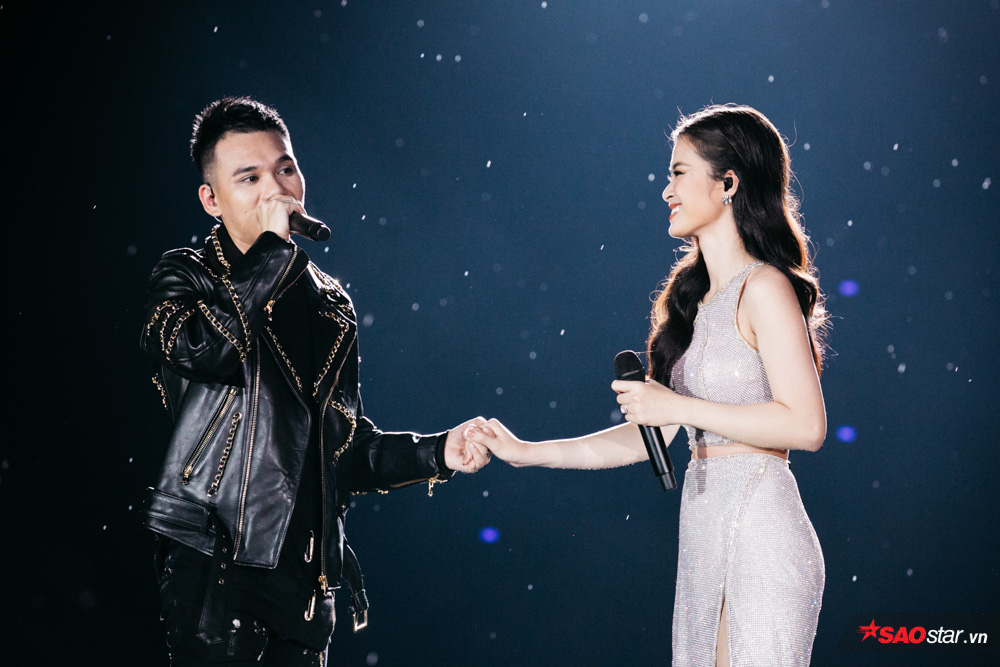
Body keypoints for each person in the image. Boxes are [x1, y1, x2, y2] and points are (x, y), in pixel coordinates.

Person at [466, 104, 828, 666]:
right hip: (703, 532)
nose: (666, 191)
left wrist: (676, 405)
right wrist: (528, 452)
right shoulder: (695, 304)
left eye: (679, 173)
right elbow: (651, 434)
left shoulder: (764, 287)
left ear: (728, 183)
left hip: (761, 530)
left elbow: (806, 426)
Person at [140, 96, 490, 666]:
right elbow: (208, 352)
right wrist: (273, 252)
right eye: (249, 177)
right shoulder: (187, 276)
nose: (275, 189)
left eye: (285, 168)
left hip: (306, 590)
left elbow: (341, 450)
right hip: (219, 571)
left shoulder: (329, 305)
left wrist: (436, 452)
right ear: (211, 200)